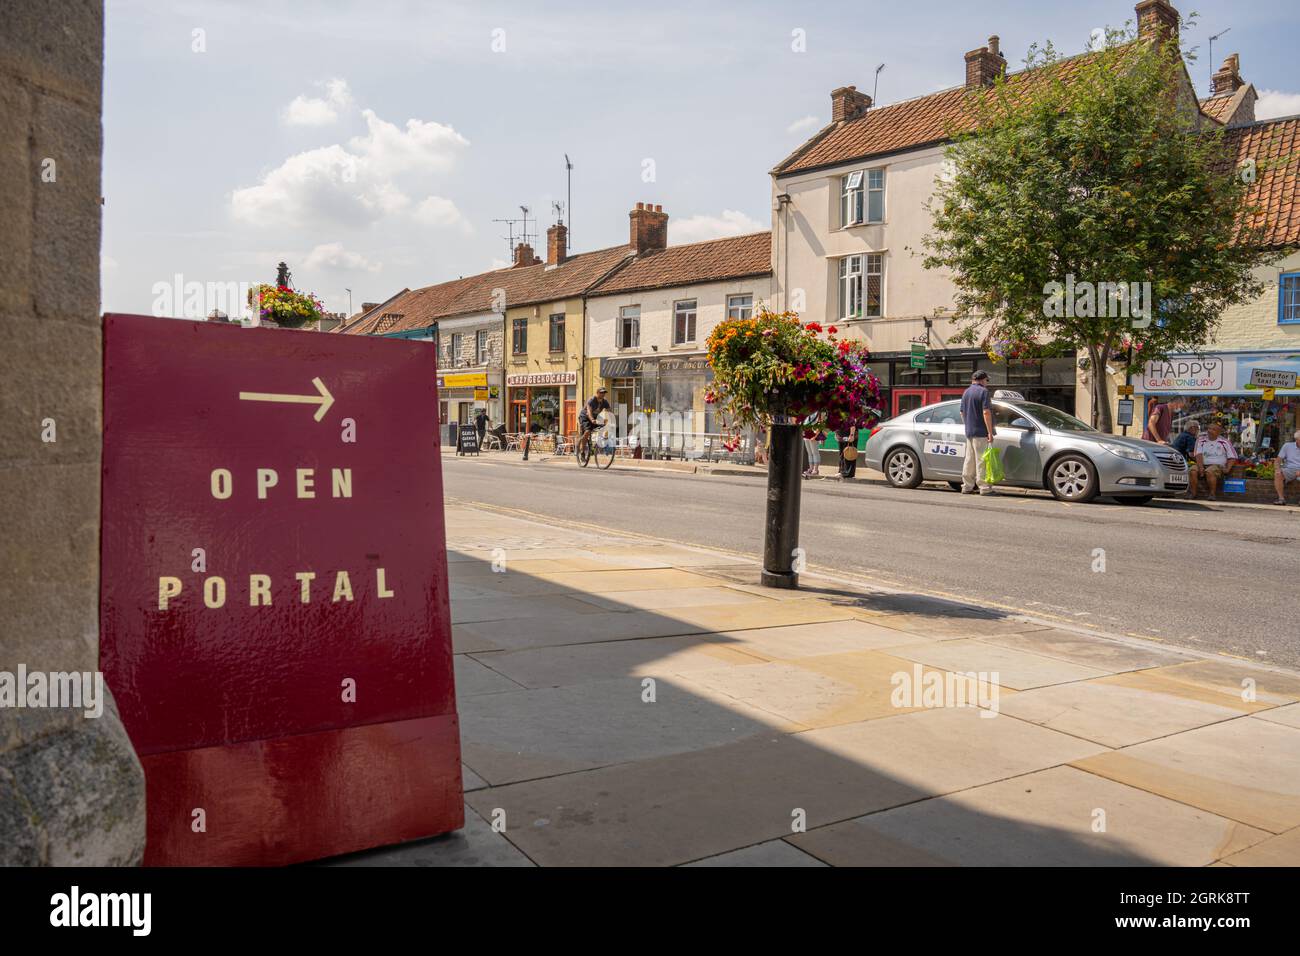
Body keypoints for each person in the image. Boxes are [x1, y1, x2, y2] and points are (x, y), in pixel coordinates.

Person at [960, 370, 997, 496]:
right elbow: (986, 412)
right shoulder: (983, 392)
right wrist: (990, 432)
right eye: (987, 380)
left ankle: (967, 486)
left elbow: (962, 413)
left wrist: (968, 425)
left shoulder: (966, 392)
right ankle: (985, 488)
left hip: (969, 431)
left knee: (969, 460)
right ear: (982, 380)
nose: (987, 383)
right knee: (982, 460)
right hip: (981, 431)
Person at [1192, 421, 1238, 501]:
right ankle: (1193, 494)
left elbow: (1232, 457)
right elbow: (1198, 454)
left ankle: (1212, 494)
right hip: (1203, 464)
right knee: (1192, 470)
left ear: (1218, 432)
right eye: (1209, 428)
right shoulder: (1200, 440)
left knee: (1210, 471)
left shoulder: (1225, 442)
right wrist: (1200, 467)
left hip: (1217, 466)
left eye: (1213, 429)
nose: (1210, 431)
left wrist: (1227, 469)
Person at [577, 387, 612, 457]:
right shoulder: (592, 400)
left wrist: (610, 420)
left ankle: (598, 444)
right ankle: (582, 451)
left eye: (604, 393)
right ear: (597, 393)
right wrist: (592, 420)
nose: (603, 394)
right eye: (601, 392)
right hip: (585, 416)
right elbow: (589, 412)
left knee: (605, 427)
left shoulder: (604, 401)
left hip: (595, 417)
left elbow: (609, 411)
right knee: (587, 431)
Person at [1273, 428, 1300, 505]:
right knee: (1278, 475)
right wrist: (1277, 469)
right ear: (1297, 440)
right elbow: (1278, 460)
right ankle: (1281, 499)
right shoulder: (1287, 446)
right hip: (1290, 470)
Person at [1172, 420, 1199, 495]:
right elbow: (1191, 454)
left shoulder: (1182, 435)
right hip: (1181, 463)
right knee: (1194, 469)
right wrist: (1201, 463)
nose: (1198, 431)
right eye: (1197, 428)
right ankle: (1192, 493)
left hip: (1175, 461)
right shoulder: (1190, 437)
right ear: (1192, 428)